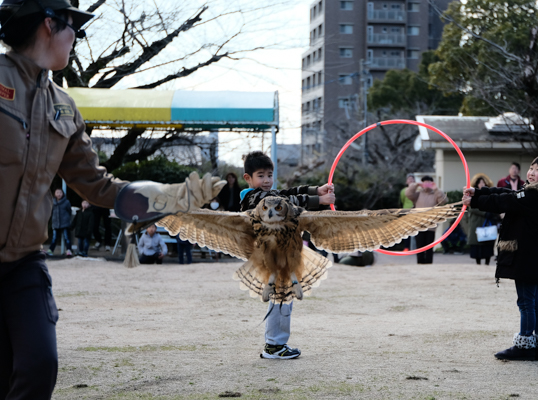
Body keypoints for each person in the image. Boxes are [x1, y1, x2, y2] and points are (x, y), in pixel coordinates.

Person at [0, 2, 224, 397]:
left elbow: (98, 186)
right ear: (50, 24)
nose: (75, 41)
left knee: (38, 365)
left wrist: (173, 196)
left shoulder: (63, 106)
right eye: (75, 30)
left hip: (23, 266)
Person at [462, 154, 538, 361]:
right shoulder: (537, 194)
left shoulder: (534, 196)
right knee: (534, 301)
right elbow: (507, 193)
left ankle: (525, 345)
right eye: (531, 167)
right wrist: (479, 191)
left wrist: (475, 200)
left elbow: (506, 200)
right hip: (534, 253)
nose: (531, 172)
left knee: (527, 302)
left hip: (527, 254)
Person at [240, 151, 334, 360]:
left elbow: (287, 192)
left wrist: (316, 190)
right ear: (248, 178)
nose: (267, 180)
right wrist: (318, 200)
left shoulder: (271, 194)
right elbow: (285, 200)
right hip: (269, 259)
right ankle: (274, 345)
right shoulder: (252, 198)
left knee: (284, 298)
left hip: (282, 255)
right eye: (261, 175)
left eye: (269, 175)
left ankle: (276, 344)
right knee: (280, 297)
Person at [405, 175, 447, 264]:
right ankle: (420, 263)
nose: (426, 184)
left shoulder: (436, 194)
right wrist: (416, 185)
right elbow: (408, 193)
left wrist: (435, 189)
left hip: (431, 225)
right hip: (419, 224)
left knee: (429, 245)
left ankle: (429, 263)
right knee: (419, 245)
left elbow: (443, 200)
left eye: (428, 182)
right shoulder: (418, 194)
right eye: (425, 182)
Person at [467, 173, 499, 265]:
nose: (482, 184)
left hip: (488, 222)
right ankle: (478, 262)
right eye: (480, 182)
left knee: (487, 243)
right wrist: (485, 213)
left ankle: (487, 262)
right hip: (477, 222)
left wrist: (491, 212)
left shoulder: (490, 194)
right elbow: (471, 207)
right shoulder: (471, 194)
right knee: (477, 243)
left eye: (483, 182)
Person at [47, 188, 73, 256]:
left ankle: (69, 250)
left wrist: (66, 219)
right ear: (55, 194)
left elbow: (69, 211)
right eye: (57, 193)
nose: (59, 194)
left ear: (63, 193)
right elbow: (51, 212)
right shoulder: (52, 202)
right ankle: (50, 250)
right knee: (54, 238)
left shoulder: (66, 202)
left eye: (60, 193)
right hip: (55, 223)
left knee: (67, 237)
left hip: (65, 222)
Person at [398, 173, 415, 251]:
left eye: (412, 179)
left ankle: (415, 247)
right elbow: (402, 200)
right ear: (406, 181)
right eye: (409, 179)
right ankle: (406, 247)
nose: (411, 180)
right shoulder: (403, 191)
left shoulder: (417, 190)